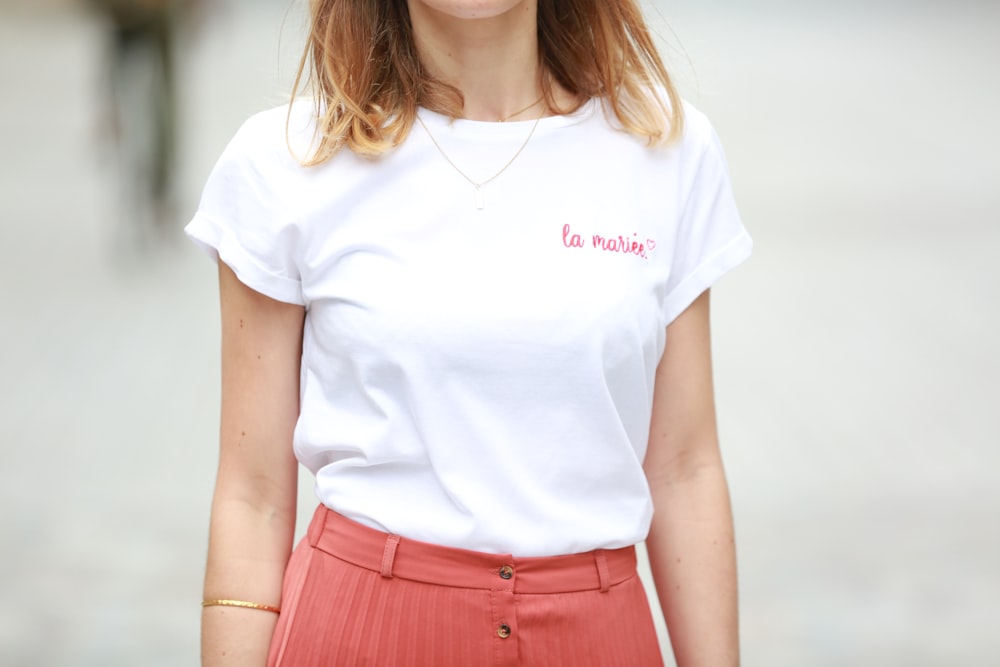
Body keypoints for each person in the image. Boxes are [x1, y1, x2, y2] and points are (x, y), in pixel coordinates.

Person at [186, 0, 752, 665]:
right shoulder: (285, 162)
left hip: (598, 636)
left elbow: (685, 469)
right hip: (362, 632)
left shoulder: (666, 149)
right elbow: (252, 499)